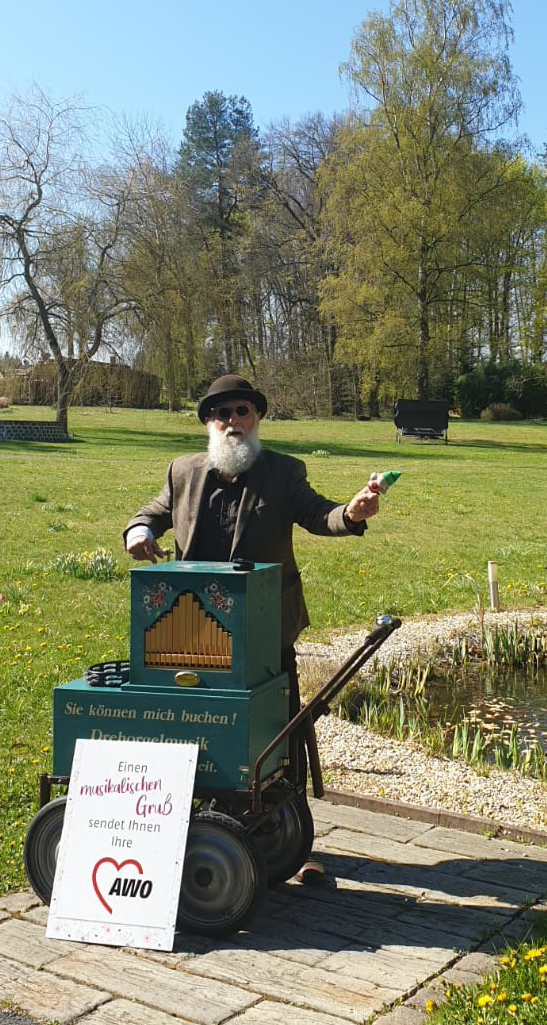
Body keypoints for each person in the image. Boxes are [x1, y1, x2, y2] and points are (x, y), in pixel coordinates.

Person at [124, 372, 381, 883]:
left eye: (242, 411)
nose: (233, 421)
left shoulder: (284, 472)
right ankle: (191, 826)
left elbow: (319, 515)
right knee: (196, 732)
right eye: (222, 413)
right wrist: (138, 530)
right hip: (193, 634)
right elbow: (151, 513)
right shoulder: (184, 470)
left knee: (280, 730)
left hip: (266, 629)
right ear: (208, 423)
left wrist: (352, 513)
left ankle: (294, 838)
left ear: (257, 418)